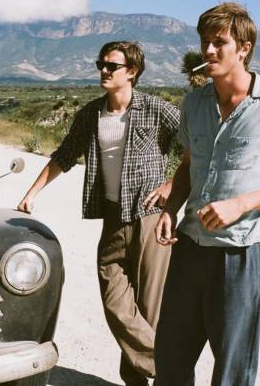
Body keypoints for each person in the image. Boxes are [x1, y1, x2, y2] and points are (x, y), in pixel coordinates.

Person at [153, 2, 260, 386]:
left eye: (219, 42)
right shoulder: (194, 103)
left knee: (232, 371)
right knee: (170, 360)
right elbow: (188, 164)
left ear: (244, 48)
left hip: (241, 254)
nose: (208, 50)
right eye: (204, 42)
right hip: (189, 248)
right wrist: (170, 208)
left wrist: (242, 203)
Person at [17, 41, 180, 386]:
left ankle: (138, 380)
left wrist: (172, 185)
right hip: (112, 217)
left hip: (150, 217)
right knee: (115, 301)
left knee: (149, 308)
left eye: (112, 66)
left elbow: (197, 144)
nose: (104, 71)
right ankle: (169, 367)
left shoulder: (156, 109)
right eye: (101, 64)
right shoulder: (91, 114)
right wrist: (32, 193)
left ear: (132, 72)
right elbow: (64, 155)